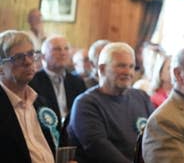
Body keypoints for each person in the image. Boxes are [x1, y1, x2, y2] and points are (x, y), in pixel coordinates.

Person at [68, 42, 154, 163]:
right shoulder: (86, 104)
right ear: (102, 69)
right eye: (121, 66)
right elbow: (102, 153)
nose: (128, 72)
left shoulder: (141, 97)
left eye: (131, 66)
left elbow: (156, 138)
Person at [0, 30, 56, 163]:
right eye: (19, 57)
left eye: (31, 54)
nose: (29, 62)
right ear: (1, 67)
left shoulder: (42, 103)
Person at [29, 35, 86, 146]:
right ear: (43, 56)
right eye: (57, 49)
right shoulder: (33, 82)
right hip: (45, 139)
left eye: (66, 49)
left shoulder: (77, 82)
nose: (63, 53)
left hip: (73, 138)